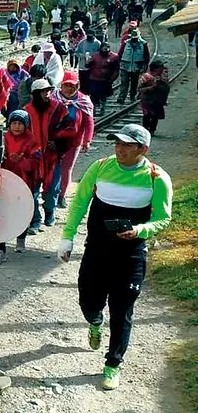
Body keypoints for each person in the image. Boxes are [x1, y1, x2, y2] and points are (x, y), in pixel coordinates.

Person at [58, 124, 173, 390]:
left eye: (127, 145)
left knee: (122, 312)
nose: (119, 149)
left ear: (142, 149)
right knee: (88, 300)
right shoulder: (99, 167)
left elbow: (163, 218)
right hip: (96, 251)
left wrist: (140, 230)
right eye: (117, 143)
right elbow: (80, 202)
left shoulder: (157, 178)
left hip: (131, 257)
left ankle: (112, 364)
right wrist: (67, 237)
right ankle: (95, 321)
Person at [0, 109, 41, 262]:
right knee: (1, 214)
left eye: (20, 124)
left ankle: (21, 237)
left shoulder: (32, 142)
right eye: (14, 123)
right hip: (3, 183)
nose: (17, 127)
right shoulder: (1, 139)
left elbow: (35, 164)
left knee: (21, 213)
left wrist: (20, 161)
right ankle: (0, 249)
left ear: (26, 125)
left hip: (23, 183)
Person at [24, 78, 74, 231]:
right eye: (44, 92)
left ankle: (49, 212)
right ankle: (35, 220)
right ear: (36, 94)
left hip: (52, 158)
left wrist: (58, 143)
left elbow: (70, 128)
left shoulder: (58, 108)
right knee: (31, 191)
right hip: (33, 159)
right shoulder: (26, 111)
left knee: (51, 190)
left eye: (49, 91)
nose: (48, 94)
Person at [53, 72, 95, 208]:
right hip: (54, 142)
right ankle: (50, 194)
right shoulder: (53, 98)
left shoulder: (84, 101)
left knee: (66, 170)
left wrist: (87, 140)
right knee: (52, 169)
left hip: (73, 142)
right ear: (61, 85)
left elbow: (89, 122)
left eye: (73, 86)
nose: (70, 89)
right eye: (67, 85)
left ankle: (61, 196)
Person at [116, 29, 151, 105]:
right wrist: (118, 64)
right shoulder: (125, 43)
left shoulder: (143, 44)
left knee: (134, 83)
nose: (134, 39)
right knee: (124, 82)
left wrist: (145, 66)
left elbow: (146, 56)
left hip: (137, 67)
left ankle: (132, 96)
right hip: (125, 66)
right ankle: (122, 97)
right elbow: (120, 54)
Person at [138, 60, 170, 135]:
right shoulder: (146, 77)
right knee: (147, 115)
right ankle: (146, 130)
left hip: (158, 101)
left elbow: (166, 87)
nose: (162, 69)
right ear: (155, 69)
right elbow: (140, 89)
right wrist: (151, 88)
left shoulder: (163, 77)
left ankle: (152, 130)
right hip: (147, 100)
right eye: (160, 68)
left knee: (155, 116)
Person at [86, 41, 120, 114]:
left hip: (105, 79)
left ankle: (102, 108)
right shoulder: (95, 56)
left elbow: (116, 69)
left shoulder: (114, 57)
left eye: (107, 47)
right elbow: (87, 65)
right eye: (103, 48)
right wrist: (88, 61)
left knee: (103, 95)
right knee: (93, 94)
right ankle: (93, 109)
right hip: (94, 78)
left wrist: (112, 79)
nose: (105, 49)